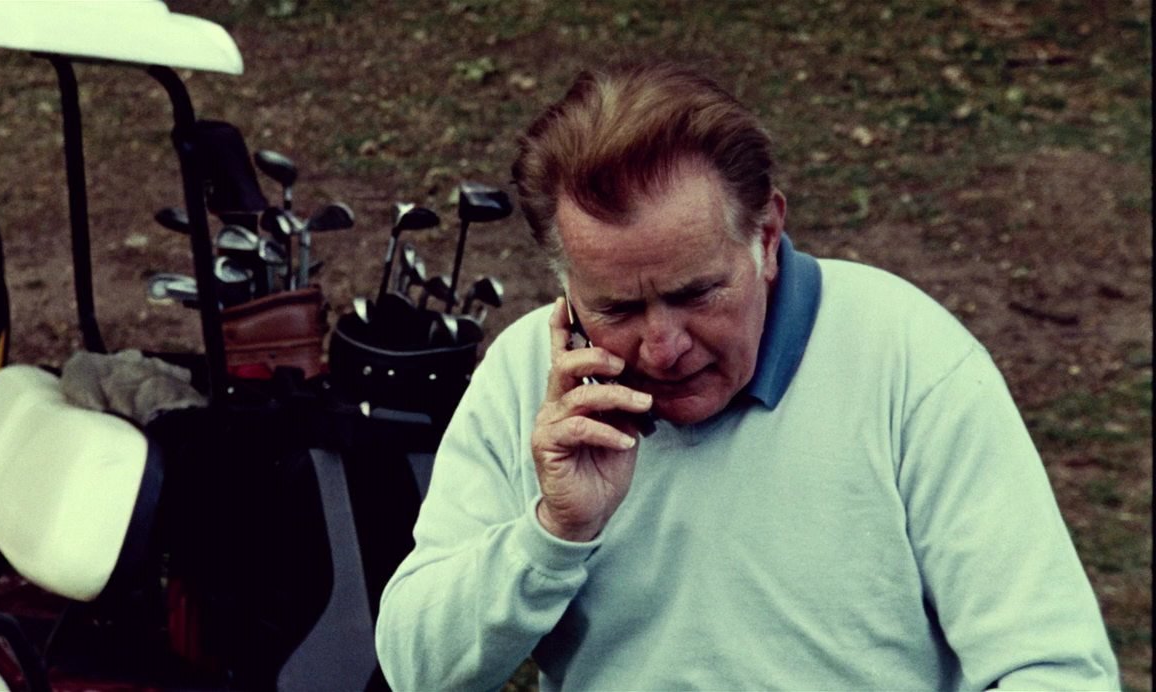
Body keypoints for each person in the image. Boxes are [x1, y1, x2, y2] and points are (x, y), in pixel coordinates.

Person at [374, 62, 1119, 690]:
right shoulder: (526, 380)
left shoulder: (908, 357)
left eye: (698, 293)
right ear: (565, 285)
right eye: (618, 308)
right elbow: (416, 672)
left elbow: (1054, 668)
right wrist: (554, 533)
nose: (663, 348)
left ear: (766, 235)